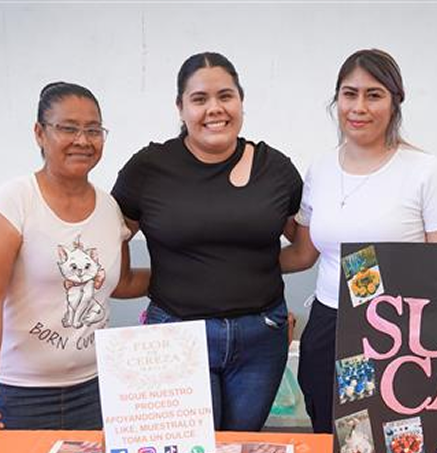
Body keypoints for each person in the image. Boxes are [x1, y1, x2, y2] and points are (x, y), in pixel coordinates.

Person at [112, 52, 303, 432]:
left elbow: (304, 251)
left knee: (240, 450)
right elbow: (111, 237)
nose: (214, 109)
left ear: (241, 101)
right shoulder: (148, 169)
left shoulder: (276, 169)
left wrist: (244, 268)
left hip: (261, 337)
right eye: (199, 99)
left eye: (225, 96)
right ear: (180, 107)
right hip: (175, 336)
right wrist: (161, 277)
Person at [281, 49, 437, 433]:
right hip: (329, 325)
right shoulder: (321, 169)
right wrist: (234, 260)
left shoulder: (424, 171)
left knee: (387, 439)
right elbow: (303, 254)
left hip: (395, 333)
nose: (359, 107)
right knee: (332, 435)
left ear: (395, 102)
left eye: (374, 95)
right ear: (337, 100)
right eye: (350, 94)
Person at [0, 82, 148, 431]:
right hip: (19, 393)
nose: (82, 140)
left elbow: (121, 283)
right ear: (40, 133)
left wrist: (191, 275)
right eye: (68, 128)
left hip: (95, 389)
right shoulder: (10, 204)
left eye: (93, 130)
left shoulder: (110, 209)